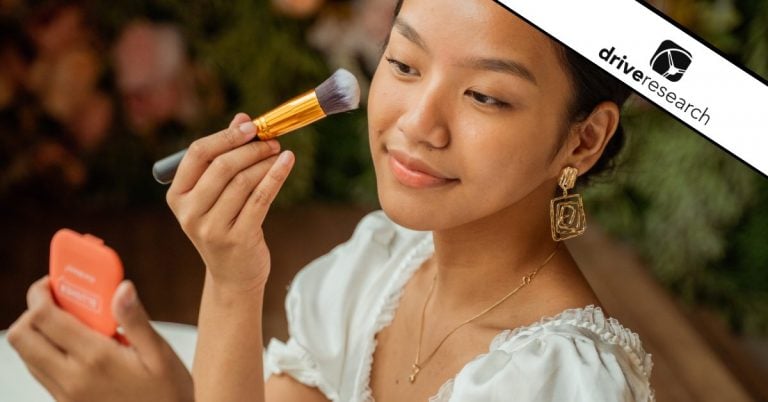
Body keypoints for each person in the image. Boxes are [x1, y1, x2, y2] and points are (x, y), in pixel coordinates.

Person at [7, 0, 655, 401]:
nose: (416, 124)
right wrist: (233, 276)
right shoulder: (378, 270)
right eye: (404, 65)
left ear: (584, 140)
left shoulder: (559, 384)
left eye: (485, 96)